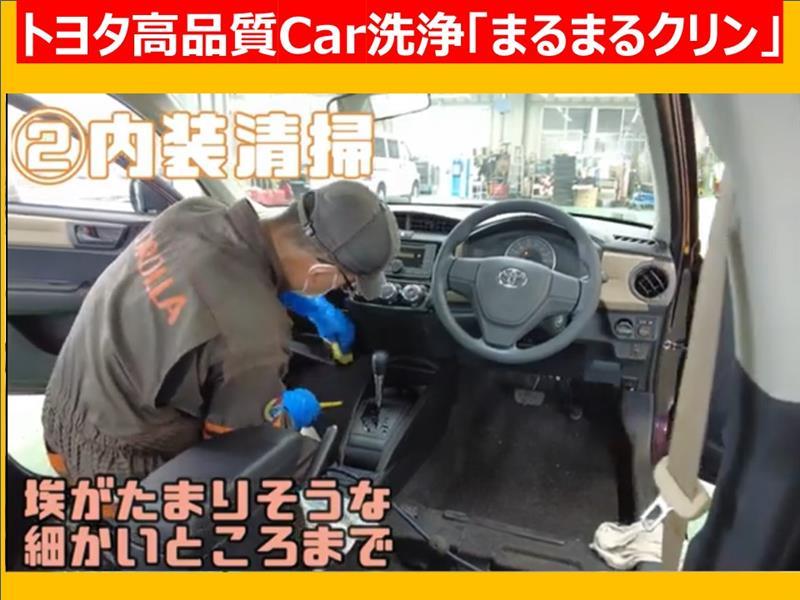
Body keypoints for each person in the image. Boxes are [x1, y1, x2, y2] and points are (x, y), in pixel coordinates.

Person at [42, 180, 400, 484]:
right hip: (119, 467)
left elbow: (218, 277)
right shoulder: (256, 336)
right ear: (320, 272)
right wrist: (287, 414)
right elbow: (239, 444)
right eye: (345, 282)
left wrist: (301, 301)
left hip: (63, 412)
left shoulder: (193, 214)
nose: (341, 288)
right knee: (300, 463)